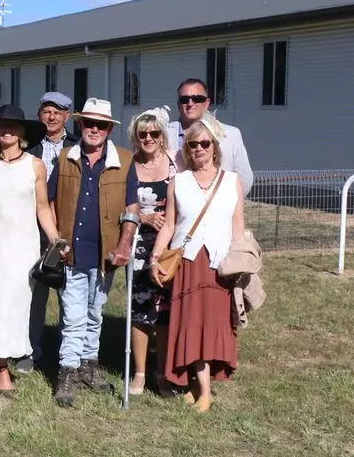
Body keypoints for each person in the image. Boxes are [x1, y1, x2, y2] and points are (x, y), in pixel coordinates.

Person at [47, 98, 139, 408]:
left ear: (109, 129)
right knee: (73, 316)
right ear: (81, 125)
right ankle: (68, 371)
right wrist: (56, 239)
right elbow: (50, 200)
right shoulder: (65, 158)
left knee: (94, 312)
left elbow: (132, 207)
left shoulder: (124, 160)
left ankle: (88, 364)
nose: (94, 129)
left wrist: (125, 244)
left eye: (101, 125)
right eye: (89, 123)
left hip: (105, 255)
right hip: (71, 253)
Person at [150, 116, 245, 412]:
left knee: (212, 324)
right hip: (188, 264)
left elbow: (238, 228)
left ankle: (201, 388)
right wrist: (155, 258)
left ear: (214, 147)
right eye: (193, 144)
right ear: (187, 149)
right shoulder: (178, 182)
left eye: (204, 143)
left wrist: (241, 266)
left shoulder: (232, 182)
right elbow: (169, 226)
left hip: (219, 266)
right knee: (191, 324)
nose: (199, 149)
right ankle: (201, 388)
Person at [0, 105, 63, 400]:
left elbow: (42, 207)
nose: (7, 130)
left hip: (24, 247)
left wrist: (55, 238)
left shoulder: (36, 166)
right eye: (2, 126)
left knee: (16, 311)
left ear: (22, 132)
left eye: (13, 126)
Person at [23, 91, 77, 375]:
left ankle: (69, 354)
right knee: (35, 294)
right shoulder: (28, 147)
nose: (52, 116)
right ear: (39, 114)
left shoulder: (78, 147)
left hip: (68, 228)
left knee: (70, 295)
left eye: (58, 112)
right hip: (34, 229)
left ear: (67, 115)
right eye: (47, 111)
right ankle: (30, 351)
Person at [124, 108, 176, 395]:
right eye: (142, 133)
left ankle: (163, 373)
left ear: (162, 135)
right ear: (135, 136)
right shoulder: (128, 165)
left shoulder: (176, 163)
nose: (148, 138)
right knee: (140, 310)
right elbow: (117, 205)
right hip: (139, 244)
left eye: (154, 133)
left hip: (169, 246)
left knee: (165, 311)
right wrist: (143, 217)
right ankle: (140, 373)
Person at [166, 78, 254, 196]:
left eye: (197, 99)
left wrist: (230, 203)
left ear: (207, 103)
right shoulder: (162, 135)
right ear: (178, 105)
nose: (190, 104)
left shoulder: (231, 135)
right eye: (184, 99)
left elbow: (244, 178)